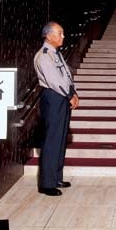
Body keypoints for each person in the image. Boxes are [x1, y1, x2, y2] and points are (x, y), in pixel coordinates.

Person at [33, 21, 79, 196]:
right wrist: (69, 95)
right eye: (60, 33)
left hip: (62, 97)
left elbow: (66, 75)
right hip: (53, 98)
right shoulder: (44, 55)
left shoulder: (55, 54)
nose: (63, 36)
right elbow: (53, 80)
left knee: (60, 140)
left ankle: (56, 177)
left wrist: (73, 92)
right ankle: (46, 184)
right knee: (52, 140)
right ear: (49, 35)